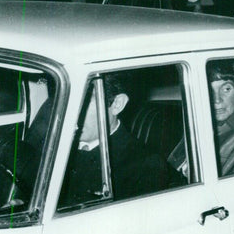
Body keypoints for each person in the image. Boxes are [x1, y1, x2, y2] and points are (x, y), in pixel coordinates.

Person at [60, 73, 173, 206]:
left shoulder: (145, 166)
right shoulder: (54, 148)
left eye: (83, 101)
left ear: (117, 104)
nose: (70, 113)